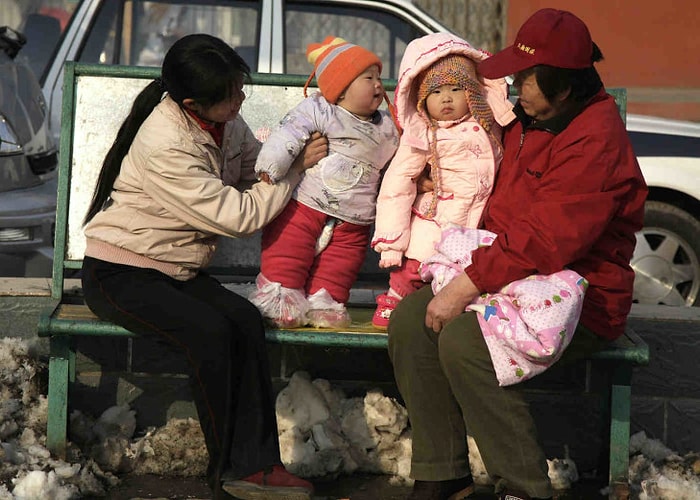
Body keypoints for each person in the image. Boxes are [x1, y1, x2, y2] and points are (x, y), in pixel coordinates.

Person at [387, 9, 648, 500]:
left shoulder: (594, 141)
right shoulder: (529, 118)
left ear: (563, 87)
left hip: (577, 293)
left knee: (469, 343)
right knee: (410, 322)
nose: (514, 87)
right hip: (510, 274)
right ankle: (442, 472)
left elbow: (547, 239)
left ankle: (525, 488)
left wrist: (466, 285)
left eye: (525, 78)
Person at [80, 33, 327, 500]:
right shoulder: (165, 143)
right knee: (209, 331)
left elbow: (259, 166)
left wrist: (293, 152)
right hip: (118, 273)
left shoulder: (223, 122)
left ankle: (260, 466)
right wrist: (294, 174)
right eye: (232, 94)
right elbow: (240, 216)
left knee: (244, 320)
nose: (241, 99)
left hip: (173, 270)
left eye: (239, 87)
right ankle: (229, 472)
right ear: (194, 102)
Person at [249, 36, 400, 329]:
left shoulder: (388, 127)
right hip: (306, 205)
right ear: (340, 90)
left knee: (340, 265)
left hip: (355, 220)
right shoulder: (321, 109)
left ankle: (325, 304)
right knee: (288, 250)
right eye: (368, 78)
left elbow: (401, 161)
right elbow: (289, 133)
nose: (379, 84)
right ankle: (280, 297)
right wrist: (272, 164)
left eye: (379, 77)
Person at [369, 32, 514, 329]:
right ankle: (394, 300)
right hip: (434, 222)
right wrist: (391, 243)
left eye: (456, 89)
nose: (446, 98)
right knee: (412, 270)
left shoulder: (488, 126)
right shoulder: (423, 135)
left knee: (457, 277)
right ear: (422, 99)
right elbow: (396, 188)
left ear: (473, 93)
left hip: (474, 229)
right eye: (435, 92)